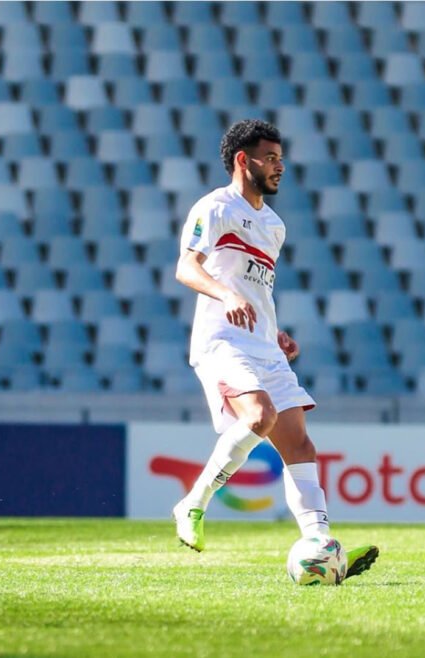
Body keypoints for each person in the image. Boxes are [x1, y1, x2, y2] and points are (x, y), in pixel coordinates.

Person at [172, 119, 377, 577]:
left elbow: (256, 287)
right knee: (259, 417)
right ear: (242, 160)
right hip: (222, 341)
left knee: (299, 444)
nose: (279, 166)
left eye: (281, 158)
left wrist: (275, 331)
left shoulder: (274, 225)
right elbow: (186, 268)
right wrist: (226, 296)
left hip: (263, 345)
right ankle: (193, 502)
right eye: (270, 158)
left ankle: (320, 543)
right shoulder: (215, 207)